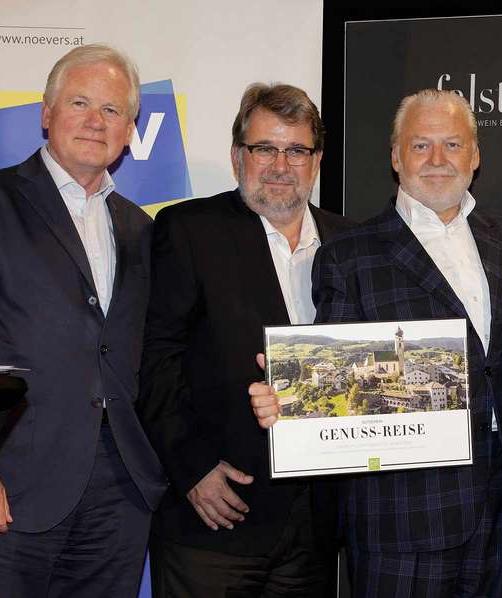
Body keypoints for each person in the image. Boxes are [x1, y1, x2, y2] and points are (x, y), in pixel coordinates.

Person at [250, 88, 502, 597]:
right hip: (404, 513)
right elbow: (335, 382)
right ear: (395, 157)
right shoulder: (349, 254)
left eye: (453, 145)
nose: (437, 159)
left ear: (475, 155)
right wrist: (289, 401)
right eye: (420, 145)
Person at [138, 83, 353, 597]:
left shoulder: (351, 241)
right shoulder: (190, 229)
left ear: (317, 160)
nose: (281, 165)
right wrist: (193, 470)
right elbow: (154, 360)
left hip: (316, 523)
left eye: (296, 150)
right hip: (216, 515)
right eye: (264, 149)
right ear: (238, 156)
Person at [0, 44, 168, 597]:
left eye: (112, 109)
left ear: (130, 130)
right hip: (16, 484)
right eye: (80, 103)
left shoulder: (140, 228)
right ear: (46, 113)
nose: (96, 121)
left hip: (120, 491)